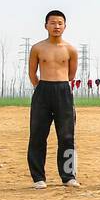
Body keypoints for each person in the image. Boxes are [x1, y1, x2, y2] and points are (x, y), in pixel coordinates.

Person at [27, 10, 79, 189]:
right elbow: (32, 73)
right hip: (43, 91)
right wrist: (41, 88)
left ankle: (68, 176)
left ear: (65, 26)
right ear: (45, 26)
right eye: (52, 23)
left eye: (60, 23)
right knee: (37, 136)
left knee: (67, 136)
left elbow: (71, 75)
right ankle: (38, 177)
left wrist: (60, 85)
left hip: (63, 91)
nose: (56, 26)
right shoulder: (37, 48)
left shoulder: (70, 49)